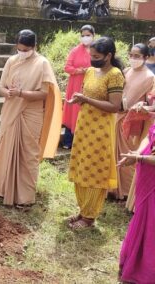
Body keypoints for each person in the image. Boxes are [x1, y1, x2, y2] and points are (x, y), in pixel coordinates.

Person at [0, 29, 62, 208]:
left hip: (31, 113)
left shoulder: (42, 63)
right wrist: (7, 92)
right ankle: (2, 190)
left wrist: (21, 93)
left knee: (29, 154)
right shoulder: (11, 61)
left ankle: (25, 198)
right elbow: (0, 87)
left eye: (26, 50)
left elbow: (44, 94)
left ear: (34, 47)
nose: (22, 52)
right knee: (5, 149)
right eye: (19, 49)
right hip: (10, 110)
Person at [67, 37, 125, 229]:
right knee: (82, 167)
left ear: (109, 56)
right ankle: (83, 210)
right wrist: (79, 99)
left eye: (97, 56)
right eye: (91, 55)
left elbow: (114, 106)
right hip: (84, 127)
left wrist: (87, 99)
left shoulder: (115, 74)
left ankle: (89, 218)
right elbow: (87, 94)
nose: (92, 59)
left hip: (101, 132)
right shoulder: (91, 71)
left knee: (94, 171)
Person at [115, 43, 155, 201]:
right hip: (118, 115)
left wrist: (141, 106)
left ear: (146, 58)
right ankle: (114, 188)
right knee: (116, 153)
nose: (133, 58)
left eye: (137, 56)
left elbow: (150, 101)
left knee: (130, 155)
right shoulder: (126, 71)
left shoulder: (150, 77)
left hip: (135, 121)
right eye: (131, 55)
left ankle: (127, 191)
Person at [118, 124, 155, 283]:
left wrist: (139, 158)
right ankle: (136, 264)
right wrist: (137, 152)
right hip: (146, 175)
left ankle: (147, 270)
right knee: (144, 219)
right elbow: (149, 135)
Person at [62, 25, 95, 149]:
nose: (85, 37)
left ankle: (82, 141)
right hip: (75, 84)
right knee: (72, 110)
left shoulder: (96, 49)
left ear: (93, 35)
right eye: (83, 35)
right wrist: (79, 71)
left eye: (88, 35)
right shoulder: (75, 50)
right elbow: (67, 67)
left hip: (91, 84)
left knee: (86, 110)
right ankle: (68, 141)